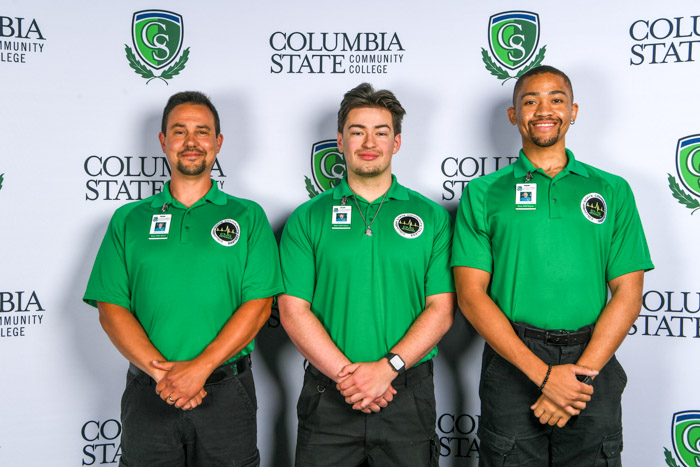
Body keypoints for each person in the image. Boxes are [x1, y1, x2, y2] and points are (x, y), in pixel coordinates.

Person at [452, 65, 654, 465]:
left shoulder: (612, 189)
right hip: (513, 362)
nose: (544, 110)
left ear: (573, 111)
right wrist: (545, 377)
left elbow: (629, 294)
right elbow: (470, 296)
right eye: (530, 101)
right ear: (514, 115)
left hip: (592, 360)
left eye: (556, 100)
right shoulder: (482, 192)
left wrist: (575, 380)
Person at [83, 91, 283, 467]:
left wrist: (200, 369)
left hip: (227, 392)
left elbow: (258, 307)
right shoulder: (128, 219)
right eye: (179, 131)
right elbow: (111, 309)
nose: (191, 142)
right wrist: (168, 378)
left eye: (202, 132)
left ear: (218, 142)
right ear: (163, 142)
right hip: (150, 390)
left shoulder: (248, 216)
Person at [279, 83, 455, 466]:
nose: (369, 142)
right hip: (329, 396)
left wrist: (386, 369)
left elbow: (440, 309)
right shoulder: (308, 218)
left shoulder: (431, 217)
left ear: (398, 142)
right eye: (358, 131)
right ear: (340, 141)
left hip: (407, 396)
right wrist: (353, 377)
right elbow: (293, 311)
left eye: (381, 132)